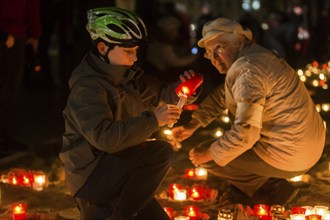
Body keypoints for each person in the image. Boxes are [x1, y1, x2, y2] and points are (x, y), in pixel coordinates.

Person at [59, 7, 198, 220]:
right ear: (103, 47)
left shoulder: (126, 78)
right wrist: (154, 120)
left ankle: (121, 212)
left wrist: (183, 91)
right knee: (160, 150)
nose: (134, 58)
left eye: (135, 51)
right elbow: (104, 138)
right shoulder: (87, 88)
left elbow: (160, 92)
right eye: (128, 51)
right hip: (91, 176)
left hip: (120, 169)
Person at [170, 17, 326, 206]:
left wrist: (209, 154)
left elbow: (245, 133)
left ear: (239, 41)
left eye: (220, 47)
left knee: (203, 154)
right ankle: (259, 180)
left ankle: (274, 189)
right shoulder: (258, 56)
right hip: (308, 145)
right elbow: (223, 95)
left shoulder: (247, 70)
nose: (214, 58)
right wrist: (193, 125)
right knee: (219, 149)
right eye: (209, 52)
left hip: (290, 153)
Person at [0, 0, 42, 157]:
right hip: (8, 35)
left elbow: (32, 7)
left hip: (16, 36)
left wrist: (34, 34)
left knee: (9, 89)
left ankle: (4, 136)